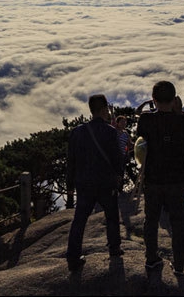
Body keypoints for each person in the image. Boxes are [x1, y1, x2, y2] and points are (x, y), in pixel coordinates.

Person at [136, 81, 184, 276]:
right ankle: (179, 265)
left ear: (153, 99)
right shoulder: (182, 120)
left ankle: (151, 258)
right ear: (173, 99)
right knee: (178, 222)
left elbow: (140, 139)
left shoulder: (145, 120)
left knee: (151, 220)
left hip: (153, 179)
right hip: (177, 179)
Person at [65, 94, 124, 271]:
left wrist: (69, 187)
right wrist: (119, 178)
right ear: (105, 109)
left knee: (80, 220)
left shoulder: (76, 132)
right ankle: (114, 249)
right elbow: (117, 159)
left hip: (84, 184)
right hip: (106, 184)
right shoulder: (110, 132)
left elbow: (71, 162)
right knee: (112, 217)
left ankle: (73, 257)